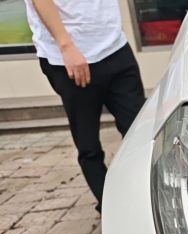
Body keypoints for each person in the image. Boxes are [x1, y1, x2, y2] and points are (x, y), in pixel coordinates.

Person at [24, 0, 146, 213]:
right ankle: (112, 209)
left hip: (115, 46)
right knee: (89, 144)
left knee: (141, 132)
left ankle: (145, 196)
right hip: (71, 59)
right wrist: (66, 46)